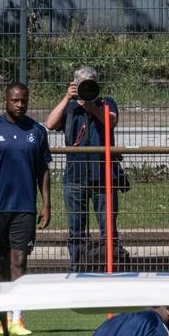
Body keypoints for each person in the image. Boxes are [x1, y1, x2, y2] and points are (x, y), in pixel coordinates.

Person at [0, 81, 52, 336]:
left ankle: (18, 318)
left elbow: (43, 170)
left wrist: (47, 203)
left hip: (24, 207)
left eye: (24, 100)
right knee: (2, 262)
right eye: (15, 100)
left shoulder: (37, 131)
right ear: (5, 101)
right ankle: (4, 317)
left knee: (20, 260)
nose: (20, 104)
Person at [47, 66, 122, 271]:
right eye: (83, 83)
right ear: (75, 84)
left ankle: (110, 268)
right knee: (76, 228)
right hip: (75, 178)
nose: (87, 86)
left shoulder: (106, 103)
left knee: (108, 227)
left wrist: (92, 107)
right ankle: (77, 268)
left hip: (103, 176)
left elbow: (111, 121)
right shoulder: (70, 107)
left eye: (91, 82)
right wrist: (67, 97)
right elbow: (50, 124)